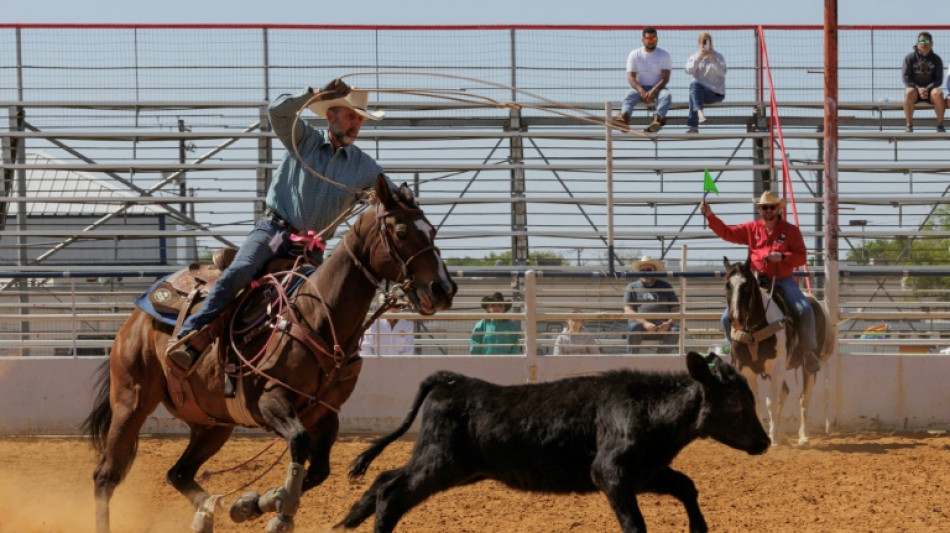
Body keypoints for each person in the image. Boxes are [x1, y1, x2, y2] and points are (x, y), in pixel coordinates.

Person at [166, 78, 390, 369]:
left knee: (324, 306)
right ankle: (191, 335)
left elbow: (391, 194)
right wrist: (314, 94)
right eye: (351, 117)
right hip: (275, 233)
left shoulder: (364, 166)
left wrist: (383, 196)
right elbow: (278, 112)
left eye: (360, 120)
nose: (355, 125)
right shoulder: (304, 139)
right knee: (243, 270)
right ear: (330, 115)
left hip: (312, 251)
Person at [700, 191, 821, 373]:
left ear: (779, 208)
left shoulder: (791, 231)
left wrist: (781, 256)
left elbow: (801, 256)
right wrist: (710, 216)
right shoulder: (751, 229)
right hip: (756, 283)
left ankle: (808, 353)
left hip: (783, 281)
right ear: (759, 209)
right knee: (726, 318)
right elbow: (727, 233)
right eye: (764, 207)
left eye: (772, 207)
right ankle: (736, 350)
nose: (768, 210)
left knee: (804, 309)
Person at [614, 27, 672, 133]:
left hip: (658, 88)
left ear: (657, 39)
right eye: (648, 39)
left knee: (666, 96)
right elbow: (631, 77)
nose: (651, 41)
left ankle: (657, 120)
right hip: (639, 87)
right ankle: (623, 119)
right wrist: (642, 92)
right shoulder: (634, 54)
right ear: (643, 40)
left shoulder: (664, 54)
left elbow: (665, 78)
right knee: (629, 96)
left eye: (653, 39)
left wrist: (653, 91)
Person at [623, 256, 680, 354]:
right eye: (643, 270)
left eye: (649, 270)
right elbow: (628, 310)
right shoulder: (632, 287)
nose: (646, 272)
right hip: (641, 327)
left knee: (675, 330)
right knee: (634, 326)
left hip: (662, 327)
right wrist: (645, 323)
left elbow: (675, 308)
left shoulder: (666, 286)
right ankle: (632, 360)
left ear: (655, 271)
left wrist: (669, 323)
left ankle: (660, 359)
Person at [902, 31, 945, 133]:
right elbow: (906, 78)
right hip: (915, 91)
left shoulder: (937, 59)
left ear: (931, 43)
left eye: (926, 40)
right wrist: (918, 88)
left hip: (930, 91)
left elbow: (939, 80)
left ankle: (940, 125)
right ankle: (909, 125)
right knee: (908, 92)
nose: (924, 43)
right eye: (921, 41)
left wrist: (927, 89)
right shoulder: (910, 58)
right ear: (917, 43)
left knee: (939, 93)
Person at [684, 31, 727, 134]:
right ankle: (700, 113)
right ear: (698, 43)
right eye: (701, 42)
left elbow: (722, 72)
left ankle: (694, 126)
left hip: (716, 93)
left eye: (706, 42)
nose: (703, 44)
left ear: (711, 43)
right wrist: (699, 58)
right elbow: (688, 71)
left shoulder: (718, 56)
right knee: (694, 87)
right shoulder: (694, 57)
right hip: (700, 93)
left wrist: (713, 59)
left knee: (693, 91)